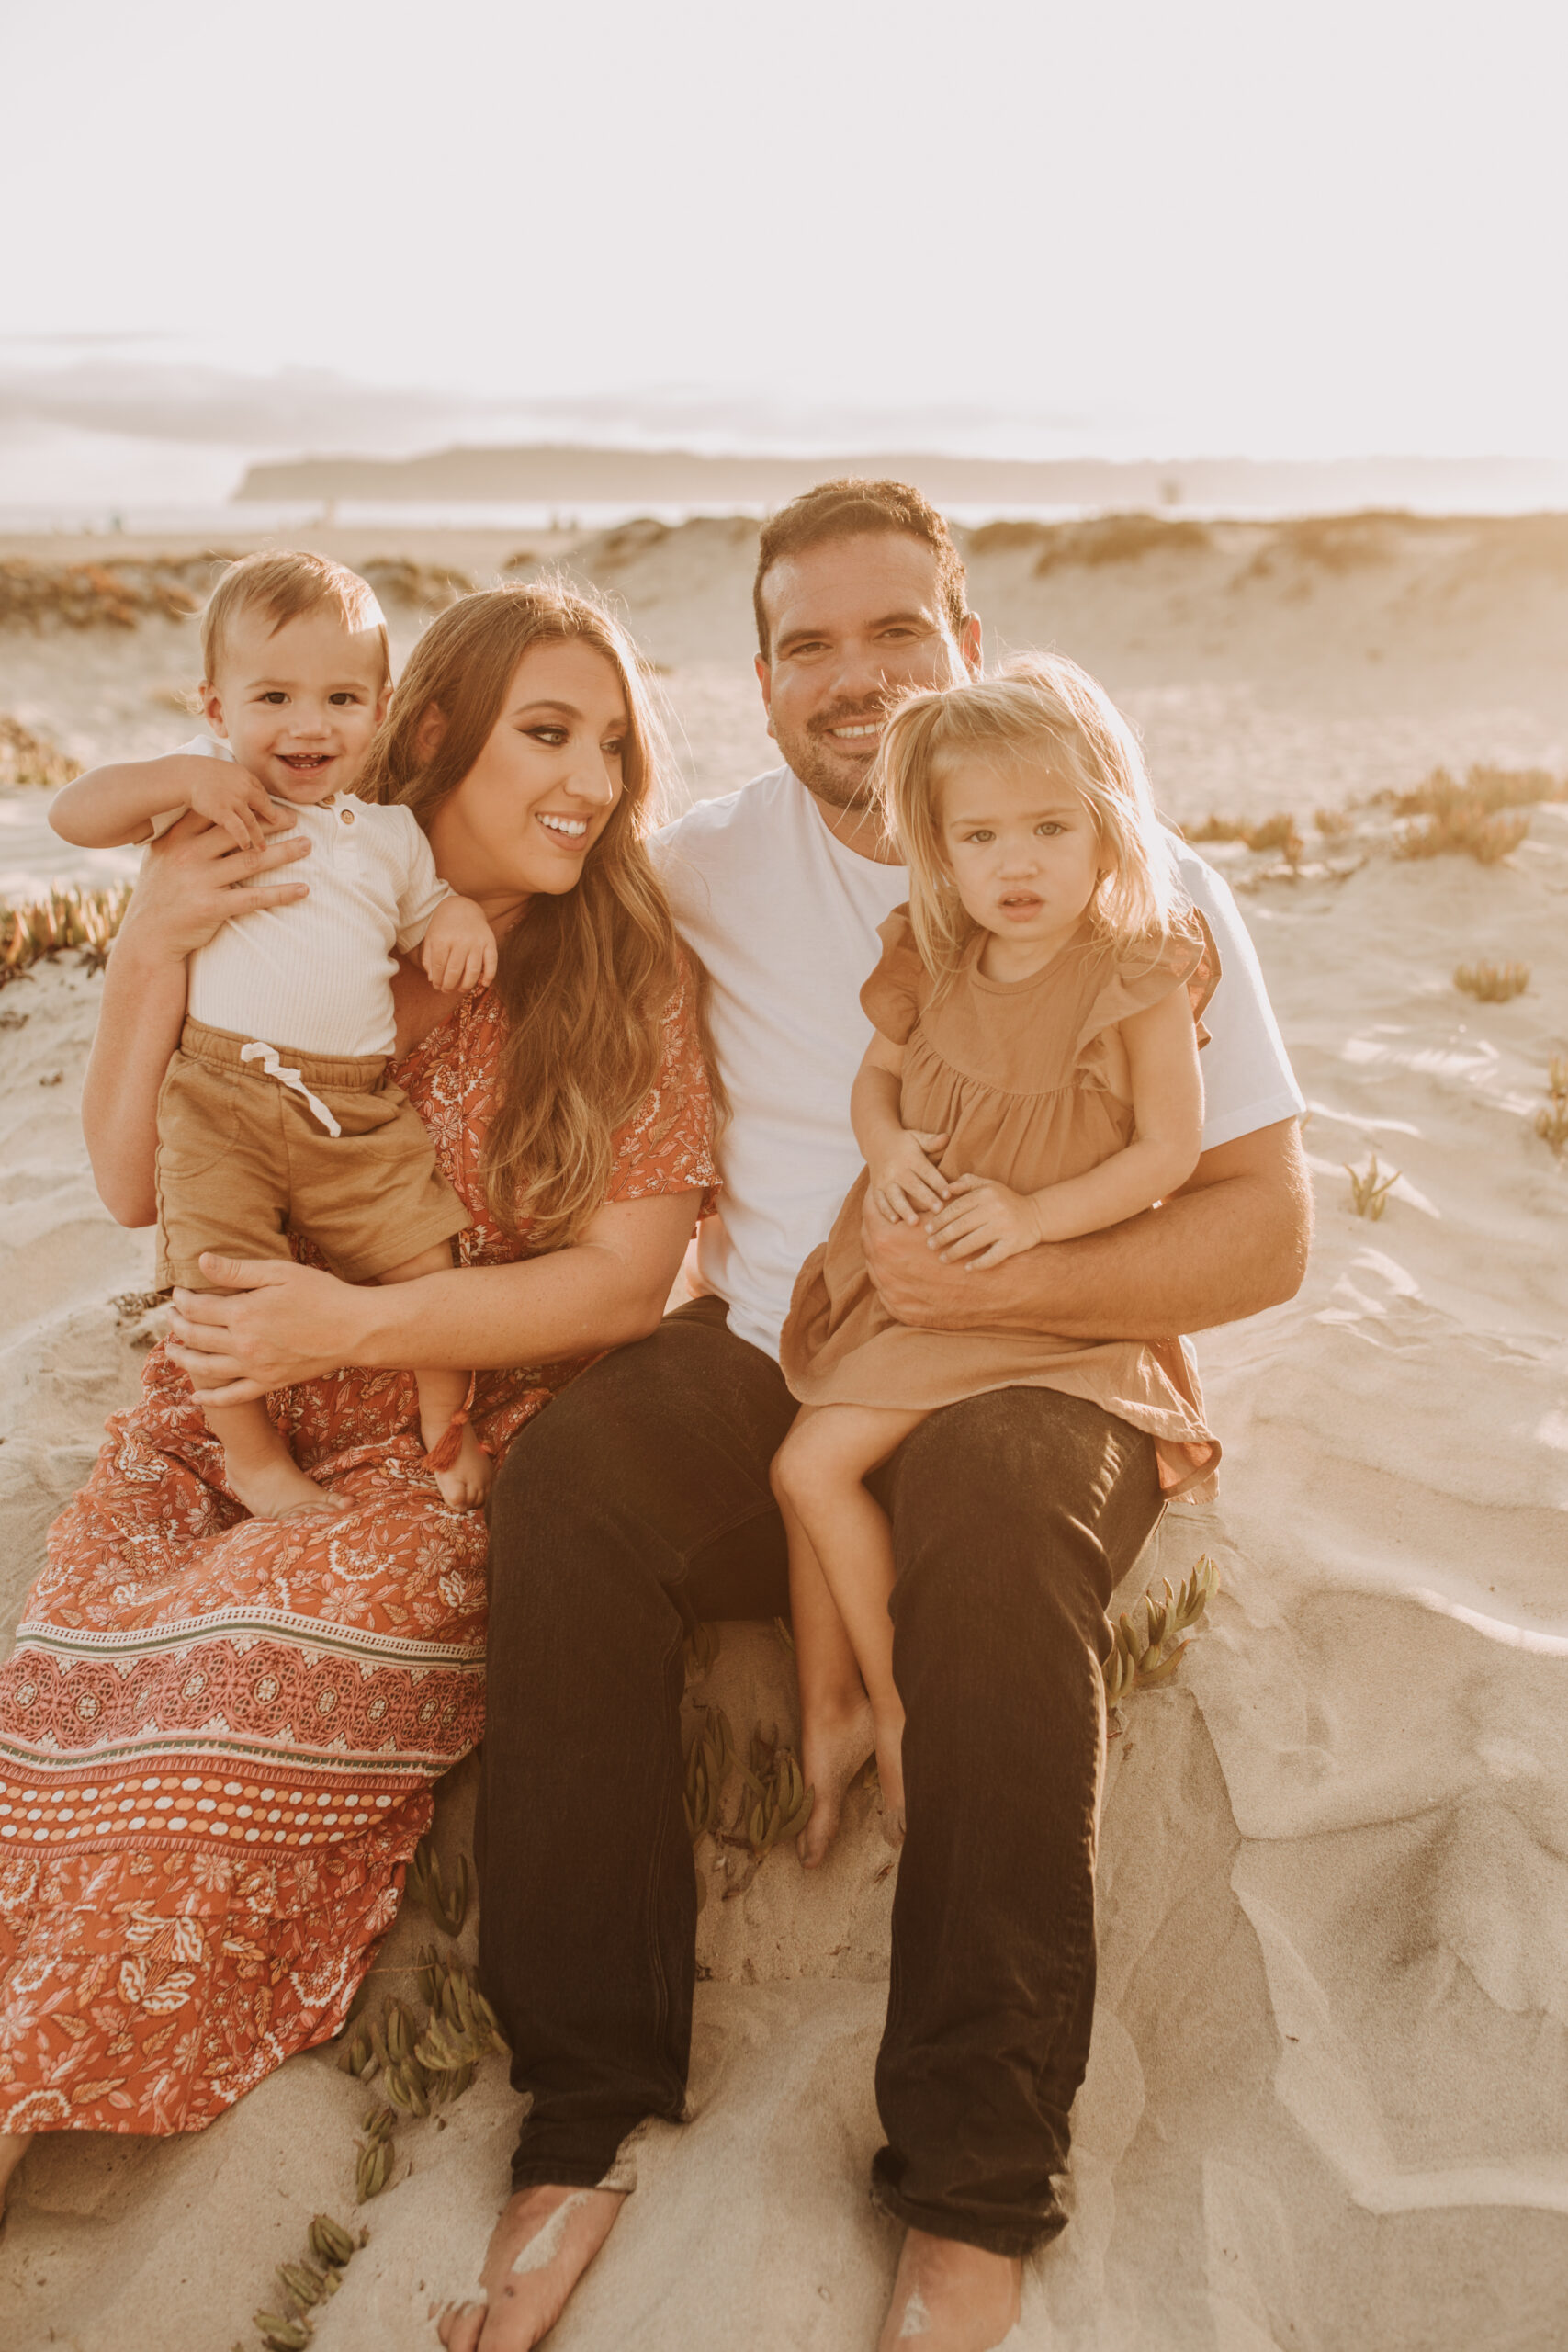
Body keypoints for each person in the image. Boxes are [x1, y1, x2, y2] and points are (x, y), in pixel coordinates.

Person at [168, 482, 1306, 2352]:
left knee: (1000, 1535)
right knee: (581, 1483)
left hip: (1041, 1362)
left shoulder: (1133, 881)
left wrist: (997, 1289)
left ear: (969, 635)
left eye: (893, 634)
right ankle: (582, 2104)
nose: (852, 679)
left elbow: (1260, 1223)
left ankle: (972, 2173)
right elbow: (468, 854)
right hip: (788, 1342)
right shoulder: (700, 861)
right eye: (806, 644)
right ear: (760, 675)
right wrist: (208, 867)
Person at [0, 583, 716, 2222]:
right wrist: (153, 945)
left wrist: (355, 1321)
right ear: (441, 737)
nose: (592, 782)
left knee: (230, 1694)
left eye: (613, 746)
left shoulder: (620, 973)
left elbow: (622, 1289)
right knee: (69, 1712)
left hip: (452, 1448)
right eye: (549, 733)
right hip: (227, 1405)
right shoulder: (271, 890)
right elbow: (130, 1182)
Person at [773, 655, 1220, 1838]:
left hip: (1043, 1304)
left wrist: (1032, 1219)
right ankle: (833, 1709)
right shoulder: (932, 952)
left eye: (1048, 827)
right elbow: (873, 1089)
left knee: (808, 1467)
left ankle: (899, 1710)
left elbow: (1167, 1153)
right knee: (807, 1452)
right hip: (917, 1280)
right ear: (938, 844)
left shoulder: (1134, 970)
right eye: (979, 836)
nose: (1014, 863)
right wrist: (884, 1151)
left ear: (1107, 830)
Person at [49, 551, 502, 1518]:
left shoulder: (387, 835)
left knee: (425, 1250)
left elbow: (428, 916)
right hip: (220, 1092)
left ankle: (444, 1415)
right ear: (216, 708)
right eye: (274, 696)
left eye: (341, 696)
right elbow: (72, 813)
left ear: (379, 708)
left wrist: (456, 920)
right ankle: (253, 1457)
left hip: (353, 1100)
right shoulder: (211, 798)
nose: (308, 724)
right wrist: (175, 774)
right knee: (214, 1283)